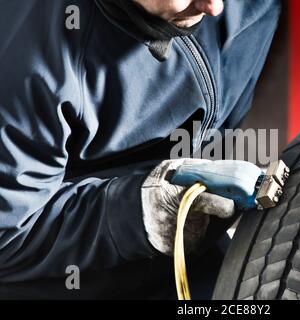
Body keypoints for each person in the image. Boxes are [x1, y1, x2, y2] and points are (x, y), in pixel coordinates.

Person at [0, 0, 281, 299]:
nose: (214, 7)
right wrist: (138, 212)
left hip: (191, 265)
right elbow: (7, 233)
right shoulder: (33, 57)